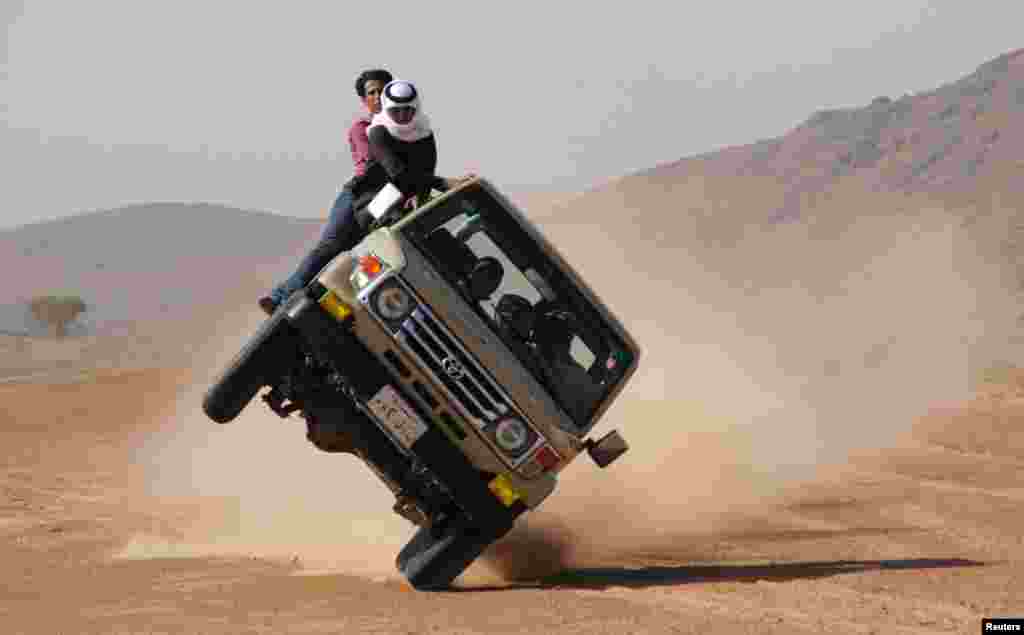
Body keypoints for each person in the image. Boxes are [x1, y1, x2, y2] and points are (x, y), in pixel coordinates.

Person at [258, 68, 392, 315]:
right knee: (329, 247)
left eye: (382, 90)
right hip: (356, 198)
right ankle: (279, 297)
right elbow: (371, 166)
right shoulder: (363, 128)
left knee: (351, 259)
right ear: (364, 100)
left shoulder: (404, 131)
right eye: (372, 93)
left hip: (383, 202)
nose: (378, 96)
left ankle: (308, 305)